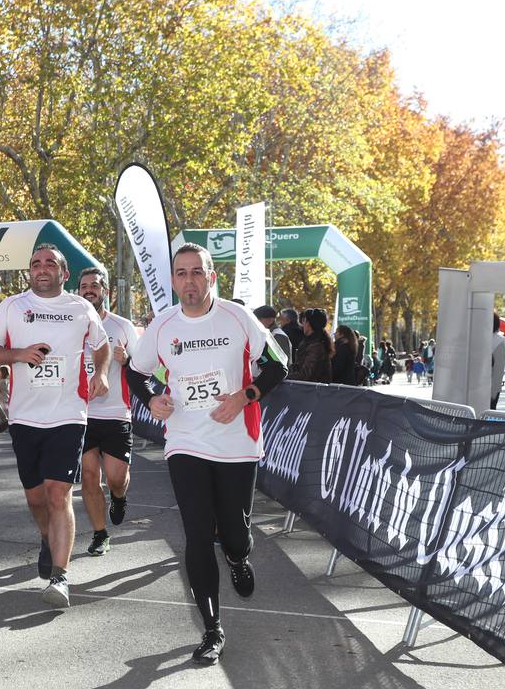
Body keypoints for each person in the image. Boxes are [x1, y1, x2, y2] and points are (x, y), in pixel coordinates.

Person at [128, 243, 287, 665]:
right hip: (185, 442)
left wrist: (245, 395)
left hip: (237, 443)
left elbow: (278, 364)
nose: (189, 281)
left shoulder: (238, 318)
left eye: (197, 272)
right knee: (197, 532)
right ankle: (212, 628)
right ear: (174, 280)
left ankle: (238, 554)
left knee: (233, 532)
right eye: (181, 273)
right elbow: (135, 370)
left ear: (211, 277)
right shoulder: (162, 326)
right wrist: (150, 399)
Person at [0, 244, 110, 608]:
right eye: (35, 263)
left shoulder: (80, 308)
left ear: (64, 274)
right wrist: (17, 354)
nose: (41, 268)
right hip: (24, 416)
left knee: (58, 494)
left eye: (50, 263)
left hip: (68, 414)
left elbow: (102, 346)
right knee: (36, 497)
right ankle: (45, 536)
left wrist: (100, 373)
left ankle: (60, 577)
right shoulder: (12, 307)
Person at [77, 267, 140, 557]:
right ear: (78, 291)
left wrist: (127, 360)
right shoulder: (72, 325)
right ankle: (100, 534)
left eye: (95, 285)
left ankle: (119, 496)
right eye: (84, 285)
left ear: (105, 291)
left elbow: (145, 368)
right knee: (89, 477)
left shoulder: (122, 326)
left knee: (115, 478)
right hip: (82, 415)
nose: (89, 289)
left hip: (116, 414)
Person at [288, 308, 332, 383]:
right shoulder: (310, 342)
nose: (302, 324)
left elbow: (305, 374)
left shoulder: (316, 346)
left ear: (308, 323)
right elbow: (298, 366)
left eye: (303, 321)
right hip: (310, 389)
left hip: (314, 391)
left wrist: (282, 377)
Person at [490, 313, 505, 410]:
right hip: (490, 387)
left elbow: (498, 368)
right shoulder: (500, 341)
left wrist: (494, 393)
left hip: (488, 386)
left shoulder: (498, 341)